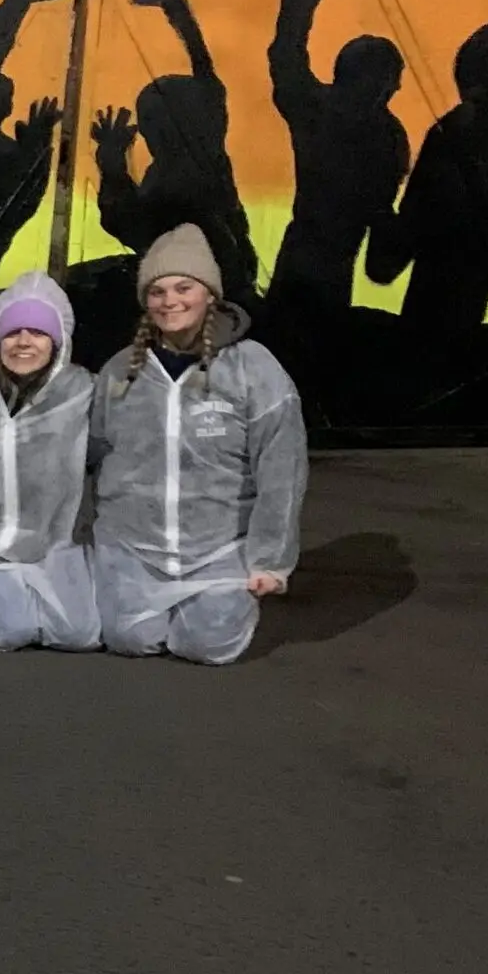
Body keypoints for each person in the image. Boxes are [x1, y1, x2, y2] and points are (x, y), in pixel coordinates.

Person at [91, 225, 307, 666]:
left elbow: (282, 469)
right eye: (157, 291)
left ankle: (217, 603)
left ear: (210, 294)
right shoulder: (119, 373)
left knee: (207, 647)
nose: (170, 301)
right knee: (130, 641)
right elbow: (94, 453)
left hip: (218, 547)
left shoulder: (253, 369)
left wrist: (270, 559)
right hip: (133, 545)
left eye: (184, 287)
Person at [0, 271, 99, 653]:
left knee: (78, 636)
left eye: (38, 332)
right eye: (12, 332)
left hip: (52, 547)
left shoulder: (83, 393)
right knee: (10, 631)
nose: (24, 341)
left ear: (58, 341)